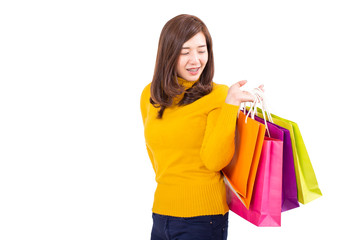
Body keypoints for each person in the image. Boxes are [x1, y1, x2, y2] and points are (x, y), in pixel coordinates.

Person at [140, 14, 263, 240]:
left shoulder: (219, 95)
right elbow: (154, 152)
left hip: (203, 219)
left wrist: (231, 106)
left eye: (201, 50)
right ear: (168, 54)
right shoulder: (150, 94)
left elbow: (215, 161)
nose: (195, 60)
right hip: (160, 214)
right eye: (185, 52)